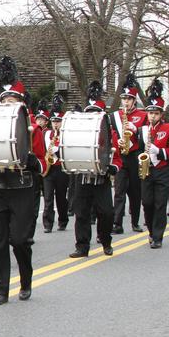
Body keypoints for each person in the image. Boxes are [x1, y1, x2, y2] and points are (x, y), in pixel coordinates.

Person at [0, 56, 45, 305]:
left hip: (23, 187)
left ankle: (26, 280)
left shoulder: (34, 130)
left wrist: (28, 153)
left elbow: (43, 165)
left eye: (13, 101)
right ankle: (0, 290)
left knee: (19, 240)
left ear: (22, 105)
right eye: (5, 101)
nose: (8, 105)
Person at [68, 84, 122, 258]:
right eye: (90, 112)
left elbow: (117, 157)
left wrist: (113, 167)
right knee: (81, 213)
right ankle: (82, 246)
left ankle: (105, 240)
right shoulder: (78, 132)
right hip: (82, 177)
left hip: (101, 178)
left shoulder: (110, 133)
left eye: (96, 113)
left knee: (106, 212)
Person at [139, 79, 169, 249]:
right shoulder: (143, 129)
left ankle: (158, 237)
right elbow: (137, 149)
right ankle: (150, 231)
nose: (152, 116)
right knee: (147, 203)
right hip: (147, 170)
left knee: (160, 204)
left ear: (161, 114)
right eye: (150, 113)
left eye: (156, 113)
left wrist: (159, 151)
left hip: (163, 170)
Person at [111, 72, 146, 234]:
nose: (125, 102)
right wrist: (116, 142)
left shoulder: (142, 116)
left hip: (134, 156)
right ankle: (117, 223)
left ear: (134, 100)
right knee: (119, 192)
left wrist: (137, 130)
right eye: (124, 99)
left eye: (129, 99)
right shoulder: (115, 116)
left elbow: (147, 136)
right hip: (120, 156)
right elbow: (110, 134)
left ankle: (135, 222)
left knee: (135, 191)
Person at [39, 97, 69, 233]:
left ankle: (63, 220)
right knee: (48, 197)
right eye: (53, 121)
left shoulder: (65, 134)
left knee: (61, 196)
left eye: (58, 121)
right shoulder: (46, 133)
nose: (55, 124)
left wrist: (59, 149)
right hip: (49, 169)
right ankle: (48, 223)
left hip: (60, 168)